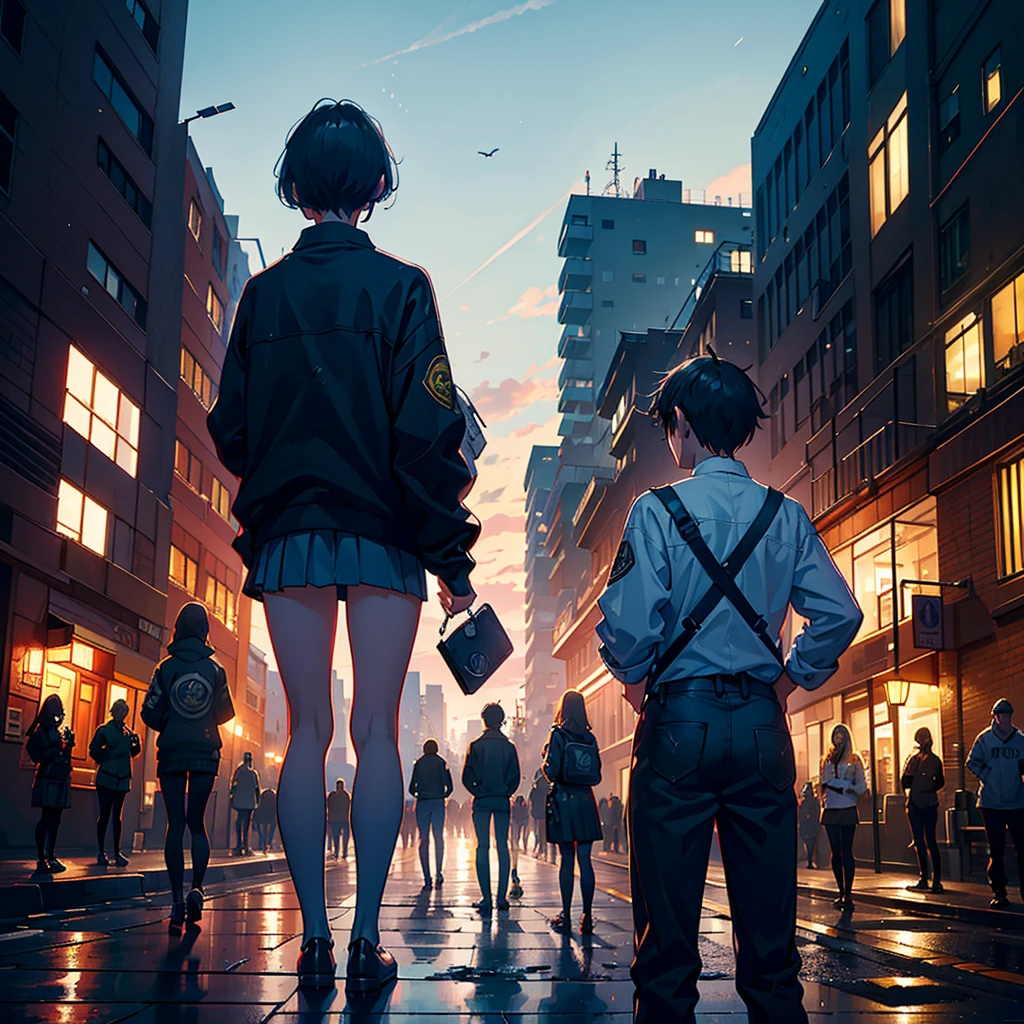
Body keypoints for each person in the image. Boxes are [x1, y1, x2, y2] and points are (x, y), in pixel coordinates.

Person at [207, 99, 478, 993]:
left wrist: (277, 485)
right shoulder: (403, 289)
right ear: (374, 186)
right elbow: (428, 434)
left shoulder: (261, 296)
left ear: (296, 187)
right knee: (375, 730)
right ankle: (367, 940)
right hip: (385, 538)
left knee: (308, 732)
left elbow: (230, 429)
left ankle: (314, 941)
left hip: (289, 537)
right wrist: (453, 558)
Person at [595, 352, 863, 1024]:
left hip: (679, 723)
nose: (669, 439)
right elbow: (840, 615)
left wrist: (637, 684)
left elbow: (627, 630)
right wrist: (788, 681)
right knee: (773, 951)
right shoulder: (787, 515)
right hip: (761, 728)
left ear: (681, 421)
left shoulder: (656, 511)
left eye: (668, 427)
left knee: (667, 951)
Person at [141, 602, 235, 930]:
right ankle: (198, 888)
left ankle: (177, 902)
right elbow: (226, 713)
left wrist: (172, 719)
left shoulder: (165, 668)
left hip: (171, 753)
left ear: (178, 627)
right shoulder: (216, 670)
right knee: (197, 823)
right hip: (205, 753)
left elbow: (149, 712)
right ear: (205, 630)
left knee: (174, 824)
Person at [543, 689, 603, 935]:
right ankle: (587, 916)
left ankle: (566, 915)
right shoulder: (590, 738)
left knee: (566, 861)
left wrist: (544, 761)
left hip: (564, 800)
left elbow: (552, 769)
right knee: (586, 861)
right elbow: (596, 770)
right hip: (586, 800)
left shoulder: (558, 734)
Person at [462, 703, 520, 915]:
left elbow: (466, 777)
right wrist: (505, 790)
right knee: (502, 846)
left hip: (482, 800)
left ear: (483, 719)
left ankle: (486, 899)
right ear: (502, 719)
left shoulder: (475, 746)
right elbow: (515, 775)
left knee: (482, 847)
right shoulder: (509, 747)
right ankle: (501, 897)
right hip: (502, 800)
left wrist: (477, 790)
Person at [967, 698, 1024, 909]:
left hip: (1017, 800)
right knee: (996, 849)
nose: (1005, 719)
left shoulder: (1020, 740)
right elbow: (971, 761)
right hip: (991, 802)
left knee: (1022, 847)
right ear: (995, 717)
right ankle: (999, 891)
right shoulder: (985, 739)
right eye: (1001, 715)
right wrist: (986, 776)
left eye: (1008, 715)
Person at [89, 698, 142, 866]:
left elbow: (133, 753)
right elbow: (94, 750)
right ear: (114, 711)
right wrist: (108, 753)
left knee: (117, 817)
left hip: (122, 777)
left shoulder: (127, 732)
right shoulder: (104, 730)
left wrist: (136, 745)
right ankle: (101, 851)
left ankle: (117, 852)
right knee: (105, 814)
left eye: (124, 712)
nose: (121, 714)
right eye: (119, 711)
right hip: (106, 776)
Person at [25, 694, 74, 876]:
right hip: (47, 778)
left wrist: (67, 746)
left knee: (56, 819)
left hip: (60, 778)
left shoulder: (57, 731)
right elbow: (37, 754)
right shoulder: (41, 732)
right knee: (46, 818)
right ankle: (41, 857)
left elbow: (64, 757)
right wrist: (57, 748)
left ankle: (51, 855)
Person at [820, 724, 867, 910]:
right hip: (831, 808)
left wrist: (846, 787)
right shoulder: (827, 759)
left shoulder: (854, 759)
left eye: (841, 736)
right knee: (835, 851)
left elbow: (861, 785)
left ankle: (848, 893)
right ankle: (840, 891)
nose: (837, 739)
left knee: (846, 850)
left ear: (847, 738)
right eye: (835, 736)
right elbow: (822, 782)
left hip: (847, 807)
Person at [901, 727, 945, 893]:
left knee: (929, 841)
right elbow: (905, 780)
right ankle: (926, 877)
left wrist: (926, 788)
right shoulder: (914, 759)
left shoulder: (933, 760)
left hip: (925, 803)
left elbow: (940, 782)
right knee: (920, 841)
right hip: (917, 804)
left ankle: (935, 880)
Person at [409, 738, 453, 890]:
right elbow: (450, 786)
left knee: (424, 839)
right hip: (437, 802)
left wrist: (420, 794)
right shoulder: (442, 763)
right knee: (438, 837)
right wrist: (442, 794)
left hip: (423, 803)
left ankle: (426, 876)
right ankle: (438, 872)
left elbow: (411, 788)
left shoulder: (419, 764)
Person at [230, 752, 261, 855]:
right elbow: (257, 789)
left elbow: (234, 784)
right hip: (249, 802)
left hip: (239, 801)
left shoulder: (239, 771)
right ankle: (246, 846)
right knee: (247, 824)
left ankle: (239, 845)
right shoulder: (253, 773)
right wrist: (258, 801)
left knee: (239, 821)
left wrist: (232, 796)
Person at [528, 767, 550, 859]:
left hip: (538, 811)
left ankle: (540, 849)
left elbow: (531, 797)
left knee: (539, 831)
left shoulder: (537, 784)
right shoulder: (549, 784)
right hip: (546, 810)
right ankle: (544, 850)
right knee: (544, 831)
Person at [798, 782, 821, 869]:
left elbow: (801, 815)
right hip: (812, 825)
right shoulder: (815, 802)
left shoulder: (804, 803)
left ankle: (810, 860)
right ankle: (811, 860)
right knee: (812, 844)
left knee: (809, 844)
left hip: (808, 825)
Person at [328, 779, 351, 860]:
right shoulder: (336, 796)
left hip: (341, 819)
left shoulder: (344, 796)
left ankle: (342, 852)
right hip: (338, 819)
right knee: (337, 837)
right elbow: (329, 807)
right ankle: (338, 851)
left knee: (341, 837)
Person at [253, 787, 278, 853]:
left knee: (264, 830)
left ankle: (263, 844)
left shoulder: (262, 800)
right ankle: (269, 842)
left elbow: (258, 810)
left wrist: (255, 818)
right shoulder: (274, 800)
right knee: (272, 828)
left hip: (263, 817)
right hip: (271, 818)